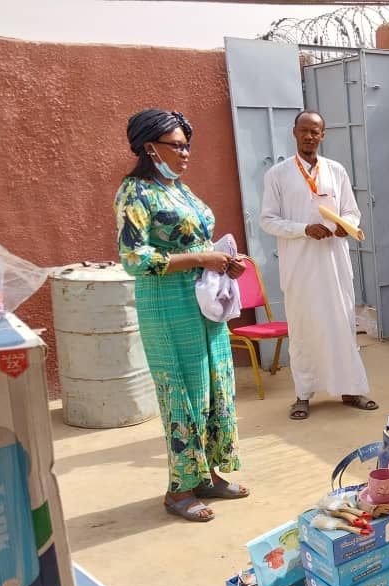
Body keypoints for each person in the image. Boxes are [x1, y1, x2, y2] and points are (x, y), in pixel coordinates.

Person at [114, 109, 249, 523]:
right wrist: (202, 258)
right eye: (177, 145)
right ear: (150, 147)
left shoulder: (179, 189)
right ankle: (179, 490)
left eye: (188, 143)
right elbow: (134, 258)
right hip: (167, 305)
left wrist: (225, 261)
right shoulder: (135, 192)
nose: (186, 151)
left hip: (203, 303)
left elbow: (200, 238)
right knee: (184, 394)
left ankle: (206, 475)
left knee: (213, 387)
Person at [259, 111, 377, 420]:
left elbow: (352, 211)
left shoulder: (336, 170)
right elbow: (267, 220)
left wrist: (345, 226)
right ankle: (303, 395)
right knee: (304, 328)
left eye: (316, 131)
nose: (310, 136)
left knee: (341, 324)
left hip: (335, 262)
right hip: (300, 266)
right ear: (294, 133)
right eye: (305, 131)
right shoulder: (278, 174)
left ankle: (350, 389)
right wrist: (304, 229)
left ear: (323, 135)